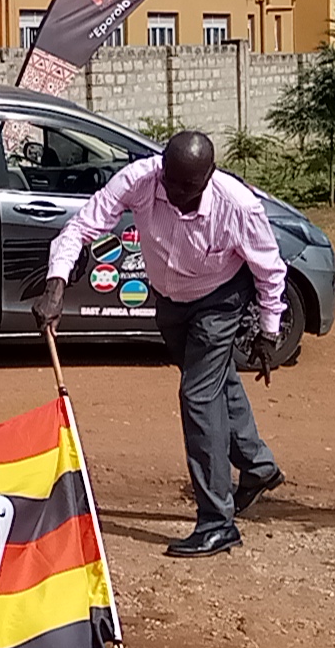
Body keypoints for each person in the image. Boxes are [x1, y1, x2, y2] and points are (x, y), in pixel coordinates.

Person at [34, 130, 286, 558]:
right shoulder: (140, 179)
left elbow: (269, 269)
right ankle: (258, 467)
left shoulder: (238, 206)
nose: (176, 194)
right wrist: (55, 285)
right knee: (216, 380)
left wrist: (269, 329)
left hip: (221, 297)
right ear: (162, 168)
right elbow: (82, 226)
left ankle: (216, 521)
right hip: (170, 299)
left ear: (209, 176)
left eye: (189, 187)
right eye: (170, 181)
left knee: (198, 396)